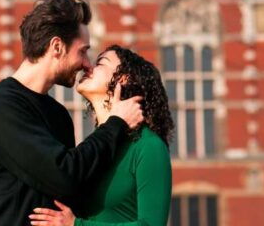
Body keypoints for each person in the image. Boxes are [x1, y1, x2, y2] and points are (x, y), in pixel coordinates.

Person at [0, 0, 145, 226]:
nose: (87, 64)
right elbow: (64, 175)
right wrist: (116, 123)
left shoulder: (59, 115)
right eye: (83, 51)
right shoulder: (3, 106)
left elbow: (75, 191)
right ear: (56, 46)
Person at [29, 45, 174, 226]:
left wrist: (77, 225)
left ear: (124, 78)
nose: (88, 66)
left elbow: (152, 224)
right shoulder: (96, 147)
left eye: (100, 63)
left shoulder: (148, 145)